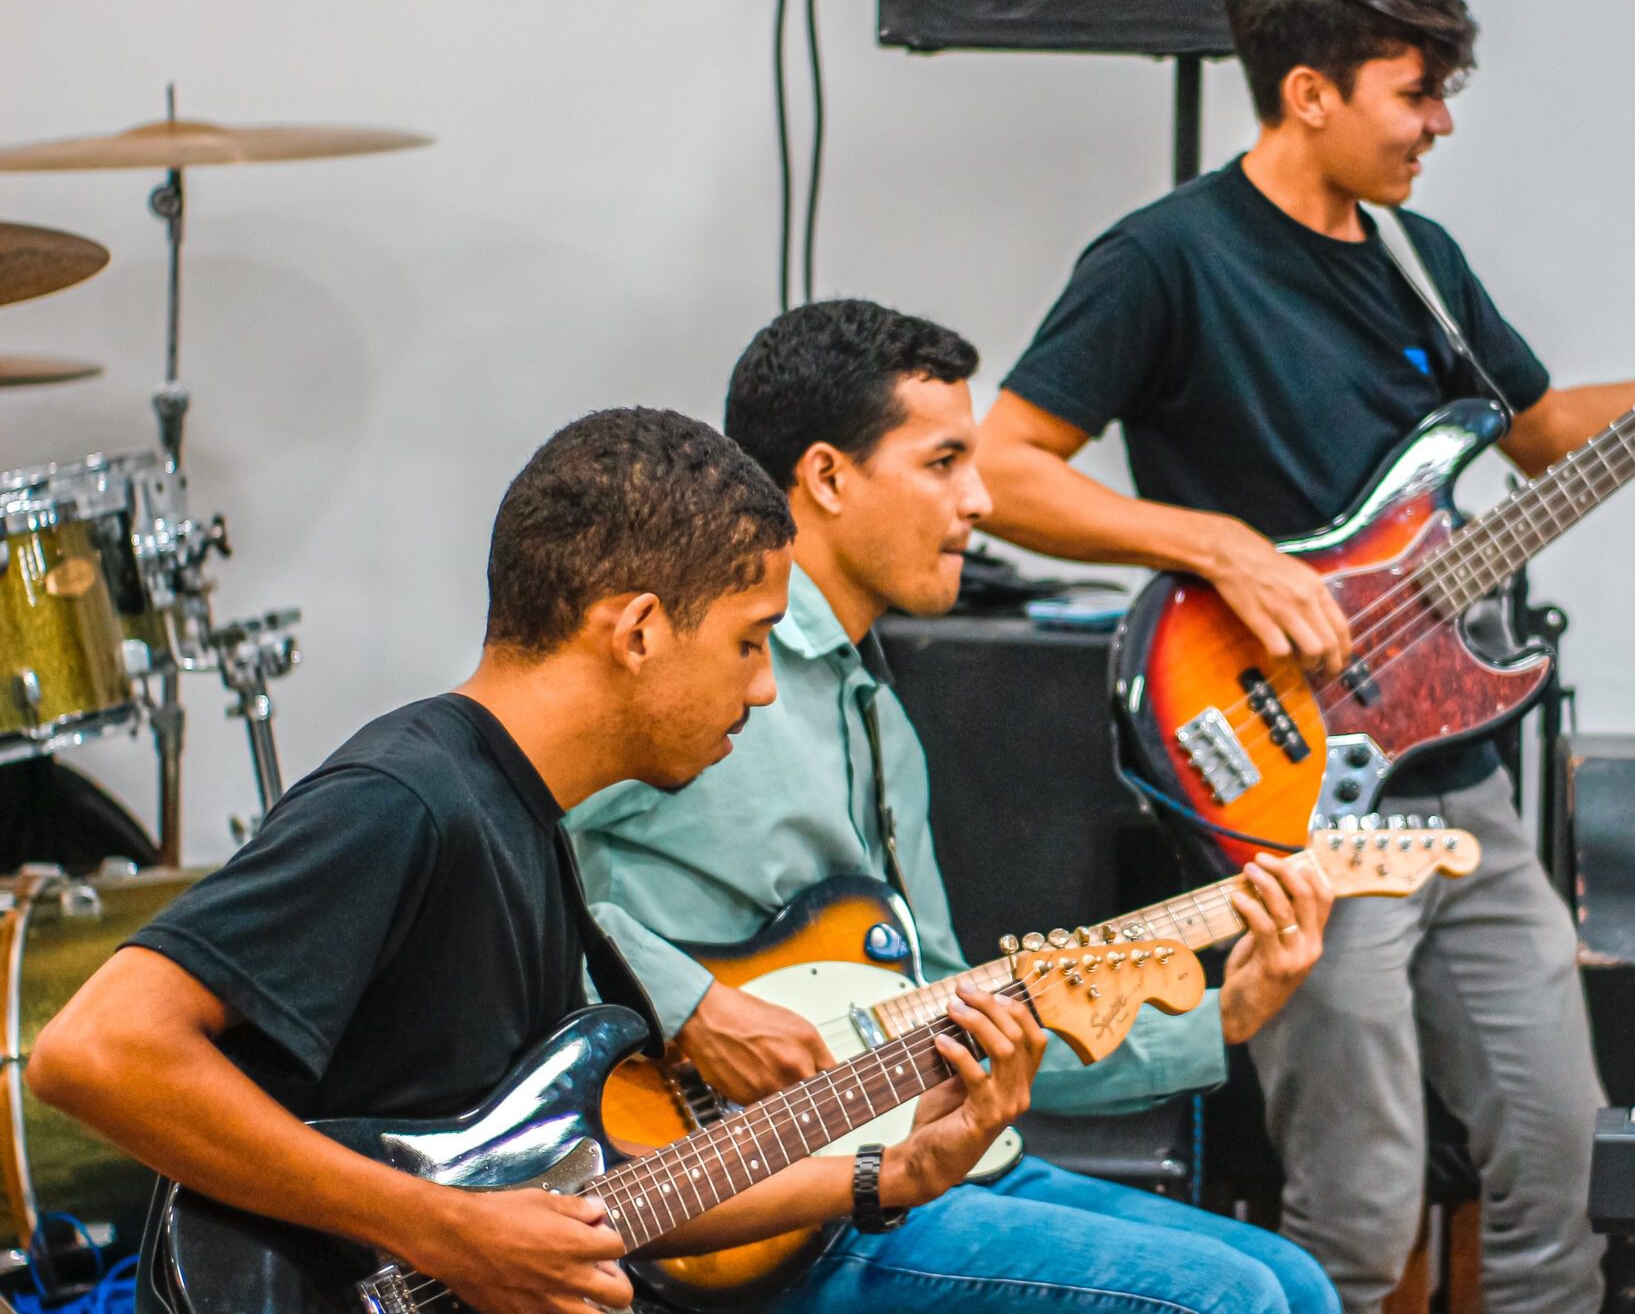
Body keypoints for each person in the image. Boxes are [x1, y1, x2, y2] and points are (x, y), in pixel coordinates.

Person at [974, 0, 1635, 1312]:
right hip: (1297, 794)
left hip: (1454, 779)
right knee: (1361, 1197)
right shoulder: (1164, 259)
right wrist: (1219, 547)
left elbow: (1535, 436)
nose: (1442, 124)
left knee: (1565, 1162)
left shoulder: (1421, 259)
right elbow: (1003, 465)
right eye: (1418, 90)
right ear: (1309, 91)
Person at [29, 408, 1046, 1314]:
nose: (765, 689)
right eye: (749, 642)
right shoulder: (407, 796)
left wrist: (893, 1171)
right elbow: (96, 1051)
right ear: (639, 630)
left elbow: (586, 1197)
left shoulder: (523, 820)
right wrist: (440, 1228)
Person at [568, 300, 1341, 1314]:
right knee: (1230, 1299)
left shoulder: (880, 714)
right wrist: (691, 1004)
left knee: (1293, 1280)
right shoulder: (692, 666)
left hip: (922, 1156)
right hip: (757, 1202)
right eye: (942, 463)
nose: (979, 503)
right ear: (828, 477)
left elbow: (950, 1014)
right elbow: (505, 871)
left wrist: (1221, 1013)